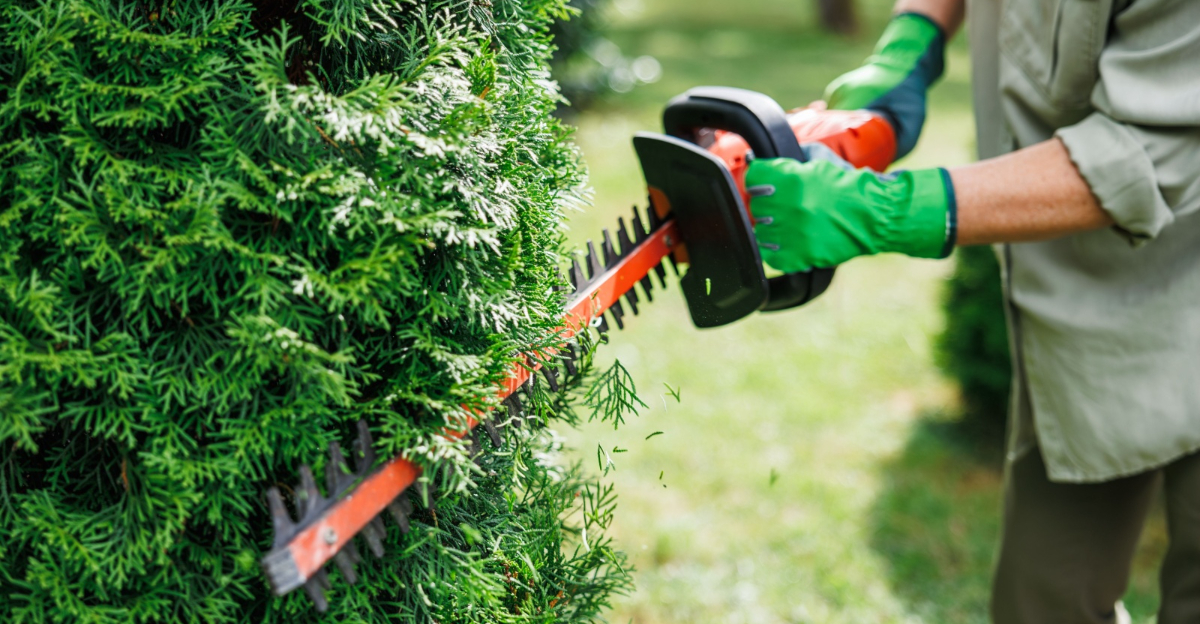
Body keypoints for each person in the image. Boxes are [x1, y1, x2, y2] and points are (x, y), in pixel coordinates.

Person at [746, 0, 1200, 622]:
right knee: (1040, 600)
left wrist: (888, 209)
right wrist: (912, 40)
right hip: (1090, 292)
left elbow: (1147, 151)